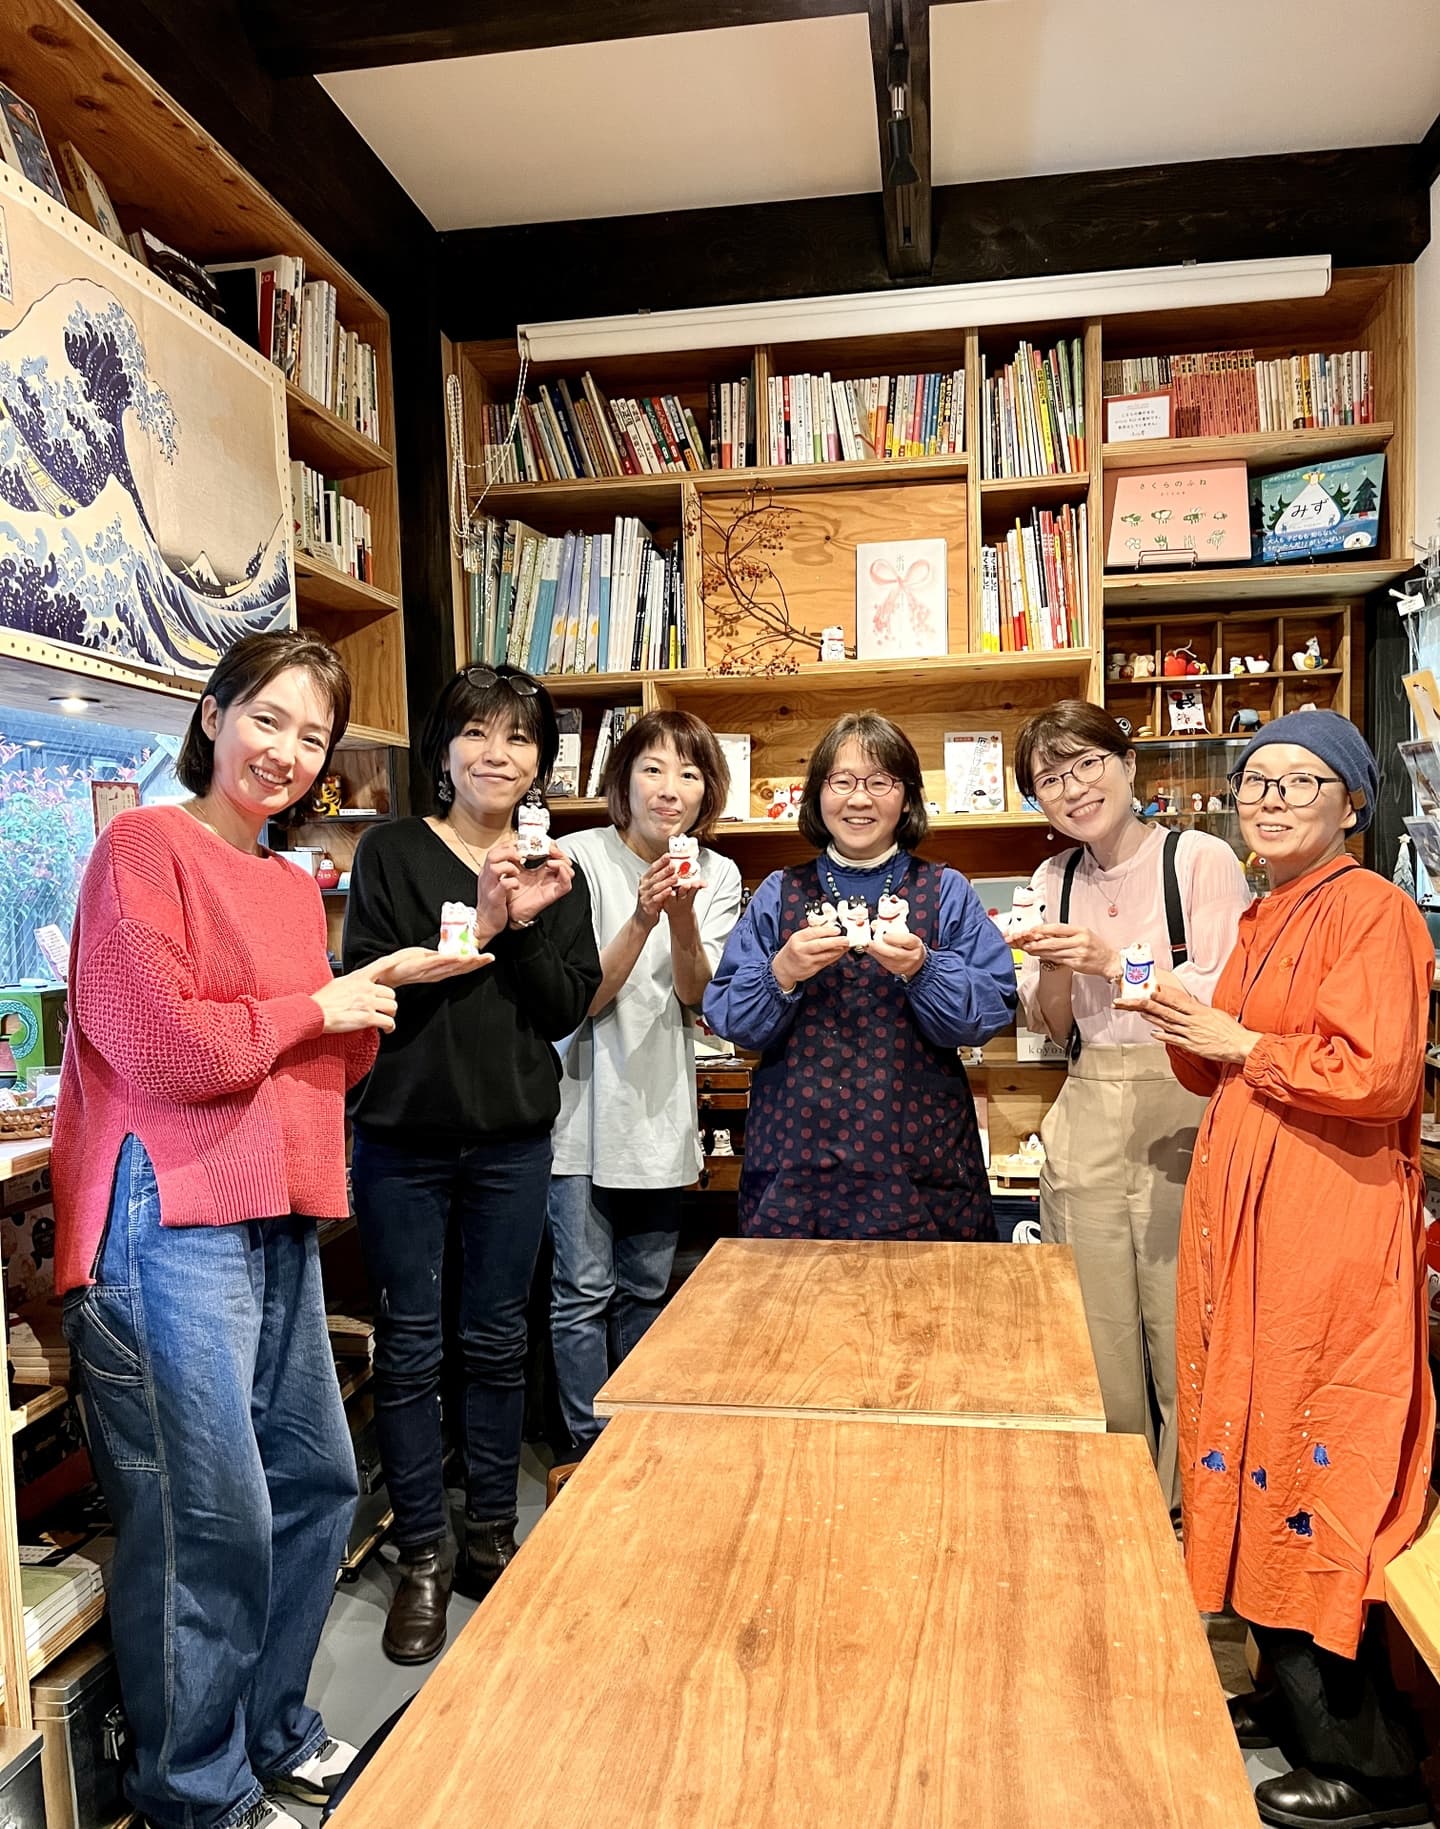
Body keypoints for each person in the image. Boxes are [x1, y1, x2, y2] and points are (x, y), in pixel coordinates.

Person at [52, 632, 478, 1829]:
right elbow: (165, 1047)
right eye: (269, 717)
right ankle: (195, 1789)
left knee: (316, 1481)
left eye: (314, 736)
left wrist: (369, 1000)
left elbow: (307, 1066)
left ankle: (272, 1726)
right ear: (213, 711)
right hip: (165, 1216)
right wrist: (317, 1005)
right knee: (206, 1517)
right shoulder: (142, 845)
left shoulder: (292, 883)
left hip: (277, 1214)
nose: (288, 751)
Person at [1144, 710, 1433, 1829]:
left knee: (1313, 1442)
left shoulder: (1374, 909)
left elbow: (1380, 1073)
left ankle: (1372, 1765)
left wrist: (1240, 1044)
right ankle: (1291, 1692)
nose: (1268, 800)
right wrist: (1187, 1024)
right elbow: (1223, 1061)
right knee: (1250, 1424)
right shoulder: (1267, 911)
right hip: (1254, 1221)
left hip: (1325, 1229)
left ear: (1353, 801)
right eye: (1254, 781)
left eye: (1299, 781)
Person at [343, 664, 601, 1666]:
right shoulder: (392, 851)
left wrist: (525, 923)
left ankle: (490, 1532)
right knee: (410, 1348)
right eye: (479, 733)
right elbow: (369, 982)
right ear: (443, 749)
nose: (499, 753)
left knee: (497, 1341)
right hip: (401, 1138)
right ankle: (422, 1552)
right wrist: (483, 921)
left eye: (520, 737)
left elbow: (563, 1006)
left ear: (540, 762)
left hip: (512, 1141)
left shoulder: (557, 866)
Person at [1012, 701, 1250, 1512]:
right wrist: (1052, 964)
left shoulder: (1199, 859)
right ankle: (1120, 1511)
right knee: (1095, 1329)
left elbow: (1225, 1000)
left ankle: (1196, 1519)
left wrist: (1116, 962)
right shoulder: (1052, 879)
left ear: (1127, 764)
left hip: (1182, 1096)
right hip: (1087, 1097)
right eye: (1050, 778)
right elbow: (1052, 1025)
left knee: (1188, 1326)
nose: (1073, 787)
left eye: (1087, 763)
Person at [703, 710, 1014, 1238]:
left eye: (880, 782)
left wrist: (923, 968)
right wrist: (782, 972)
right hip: (796, 1161)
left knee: (929, 1291)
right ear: (817, 795)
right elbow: (731, 1020)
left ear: (907, 797)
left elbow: (987, 1012)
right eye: (842, 781)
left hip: (921, 1160)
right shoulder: (780, 892)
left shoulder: (946, 890)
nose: (860, 799)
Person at [548, 710, 741, 1456]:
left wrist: (682, 917)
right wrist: (641, 916)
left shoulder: (717, 873)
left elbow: (698, 996)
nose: (669, 789)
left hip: (659, 1107)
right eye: (653, 769)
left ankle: (637, 1443)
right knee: (580, 1293)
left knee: (646, 1289)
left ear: (706, 792)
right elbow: (580, 999)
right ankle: (584, 1450)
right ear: (623, 781)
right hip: (577, 1108)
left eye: (689, 774)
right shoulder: (576, 856)